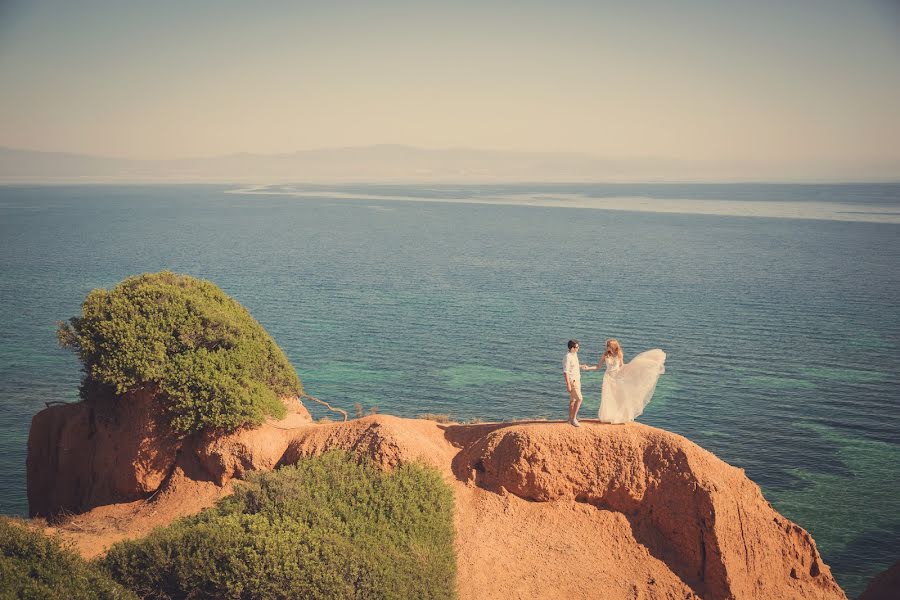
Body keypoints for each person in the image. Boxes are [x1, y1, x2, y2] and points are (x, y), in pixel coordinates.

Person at [588, 339, 666, 424]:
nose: (607, 348)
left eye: (608, 346)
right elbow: (598, 366)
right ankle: (608, 417)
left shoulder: (619, 354)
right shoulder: (605, 355)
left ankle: (619, 417)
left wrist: (633, 366)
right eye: (607, 346)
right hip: (608, 378)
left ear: (613, 346)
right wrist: (588, 368)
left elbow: (622, 366)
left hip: (617, 377)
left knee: (619, 397)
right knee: (608, 397)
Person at [563, 339, 589, 427]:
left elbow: (573, 366)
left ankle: (570, 418)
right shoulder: (568, 357)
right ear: (572, 348)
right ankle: (574, 419)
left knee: (573, 400)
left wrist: (581, 366)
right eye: (577, 347)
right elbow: (566, 372)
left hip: (577, 380)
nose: (578, 348)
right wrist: (568, 384)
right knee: (580, 399)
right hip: (572, 381)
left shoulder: (574, 354)